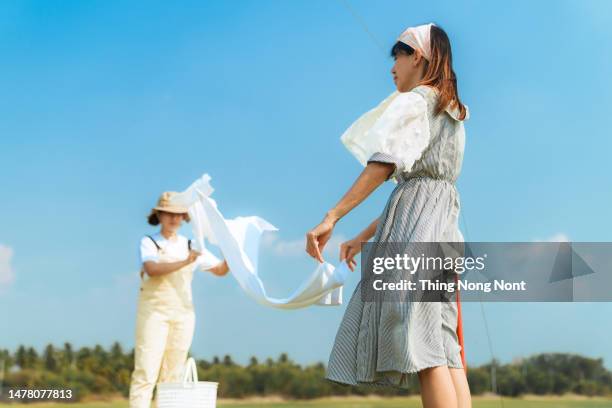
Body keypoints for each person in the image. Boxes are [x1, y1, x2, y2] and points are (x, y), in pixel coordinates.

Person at [305, 23, 471, 408]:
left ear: (418, 57)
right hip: (442, 229)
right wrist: (364, 236)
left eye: (397, 55)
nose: (392, 66)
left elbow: (384, 166)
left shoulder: (417, 101)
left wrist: (333, 215)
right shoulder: (452, 111)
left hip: (419, 233)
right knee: (445, 345)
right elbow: (417, 191)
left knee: (423, 343)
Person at [129, 191, 229, 408]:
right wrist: (186, 261)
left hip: (183, 313)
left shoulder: (191, 244)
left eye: (178, 214)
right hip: (153, 313)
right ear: (159, 215)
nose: (173, 219)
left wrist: (232, 249)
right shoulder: (149, 243)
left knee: (173, 373)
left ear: (184, 217)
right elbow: (152, 269)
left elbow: (220, 270)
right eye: (168, 214)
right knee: (146, 371)